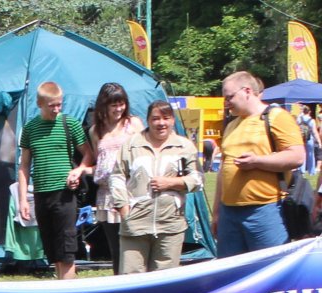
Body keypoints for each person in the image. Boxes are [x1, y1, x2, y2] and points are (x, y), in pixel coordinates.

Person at [213, 71, 305, 258]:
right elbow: (223, 169)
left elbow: (297, 156)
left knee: (270, 268)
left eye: (229, 97)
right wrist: (216, 213)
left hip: (265, 210)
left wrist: (257, 161)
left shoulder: (276, 116)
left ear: (247, 91)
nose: (226, 102)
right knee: (229, 274)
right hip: (229, 213)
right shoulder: (232, 124)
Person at [110, 100, 203, 274]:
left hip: (171, 224)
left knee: (165, 280)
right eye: (156, 118)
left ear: (173, 120)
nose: (161, 123)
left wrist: (172, 183)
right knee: (131, 278)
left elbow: (198, 179)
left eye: (166, 118)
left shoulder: (184, 146)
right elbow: (117, 176)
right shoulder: (131, 145)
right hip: (135, 224)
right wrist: (123, 208)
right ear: (148, 120)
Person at [18, 81, 94, 280]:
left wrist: (77, 172)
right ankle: (62, 290)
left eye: (59, 104)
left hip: (65, 194)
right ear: (39, 103)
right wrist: (23, 200)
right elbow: (24, 166)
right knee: (53, 251)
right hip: (41, 194)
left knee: (66, 249)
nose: (56, 109)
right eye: (52, 105)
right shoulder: (30, 128)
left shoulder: (70, 124)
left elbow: (88, 155)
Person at [89, 83, 144, 275]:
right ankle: (119, 284)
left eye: (122, 104)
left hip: (132, 193)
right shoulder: (96, 130)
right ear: (103, 105)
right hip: (107, 196)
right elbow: (100, 162)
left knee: (135, 245)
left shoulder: (134, 124)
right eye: (114, 105)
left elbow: (146, 155)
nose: (119, 109)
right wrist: (83, 171)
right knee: (116, 248)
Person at [297, 105, 320, 175]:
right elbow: (314, 132)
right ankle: (311, 171)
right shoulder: (312, 120)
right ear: (309, 112)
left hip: (300, 138)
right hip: (309, 138)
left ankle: (302, 170)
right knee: (310, 154)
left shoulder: (299, 119)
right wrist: (319, 141)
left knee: (302, 153)